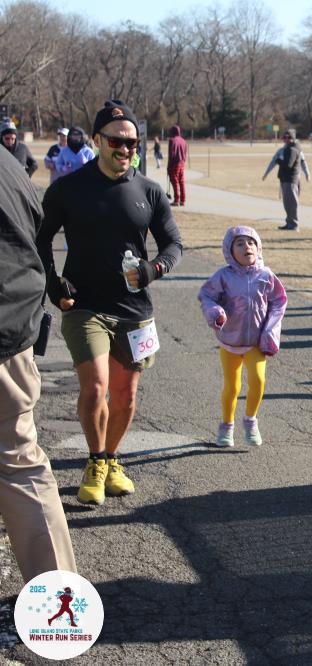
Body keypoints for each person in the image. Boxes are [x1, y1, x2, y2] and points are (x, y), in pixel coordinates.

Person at [37, 100, 183, 506]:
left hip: (135, 311)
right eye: (116, 141)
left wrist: (153, 269)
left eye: (132, 143)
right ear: (97, 140)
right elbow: (41, 239)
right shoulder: (68, 188)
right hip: (84, 305)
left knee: (126, 396)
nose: (125, 149)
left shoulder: (148, 190)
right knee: (95, 387)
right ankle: (95, 461)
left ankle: (112, 458)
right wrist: (53, 283)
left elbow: (173, 244)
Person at [0, 146, 77, 581]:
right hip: (14, 332)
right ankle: (57, 594)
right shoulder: (9, 164)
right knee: (21, 464)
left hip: (11, 329)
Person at [198, 226, 287, 447]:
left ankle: (250, 421)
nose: (247, 246)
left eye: (251, 242)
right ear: (229, 251)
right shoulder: (223, 276)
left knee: (258, 380)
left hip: (256, 342)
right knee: (232, 387)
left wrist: (270, 330)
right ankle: (226, 426)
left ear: (258, 248)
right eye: (239, 243)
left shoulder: (266, 276)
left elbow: (279, 301)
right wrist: (215, 312)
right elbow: (207, 296)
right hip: (230, 342)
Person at [263, 129, 311, 232]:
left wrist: (307, 174)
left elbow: (299, 163)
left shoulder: (293, 149)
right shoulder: (283, 150)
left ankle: (294, 224)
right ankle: (289, 223)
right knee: (287, 202)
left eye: (289, 137)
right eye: (284, 137)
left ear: (293, 138)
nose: (286, 139)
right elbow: (273, 162)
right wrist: (266, 173)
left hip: (291, 179)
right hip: (285, 179)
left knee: (292, 202)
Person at [167, 124, 188, 206]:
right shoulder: (183, 141)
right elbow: (185, 153)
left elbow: (171, 154)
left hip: (174, 163)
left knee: (174, 181)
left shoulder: (172, 140)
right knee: (181, 181)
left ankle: (177, 200)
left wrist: (169, 166)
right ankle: (183, 200)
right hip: (182, 162)